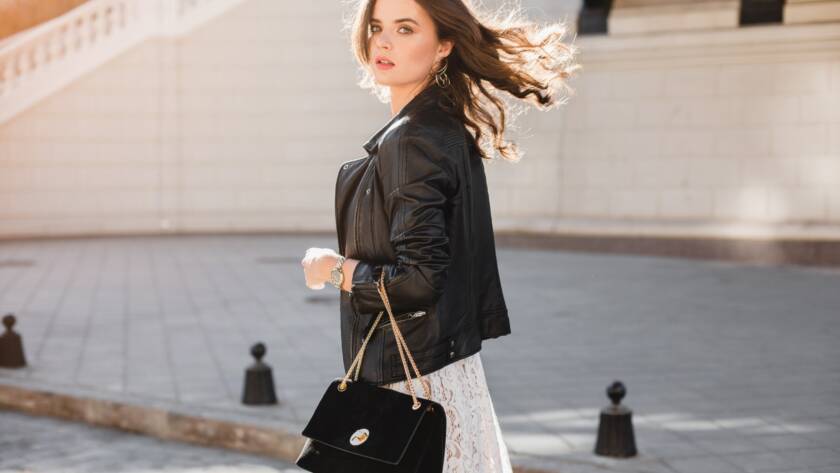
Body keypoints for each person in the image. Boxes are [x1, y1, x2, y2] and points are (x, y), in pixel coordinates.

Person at [301, 0, 580, 471]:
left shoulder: (412, 139)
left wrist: (333, 270)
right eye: (376, 27)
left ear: (443, 46)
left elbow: (420, 278)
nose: (383, 42)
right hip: (444, 376)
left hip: (410, 386)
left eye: (406, 29)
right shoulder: (440, 128)